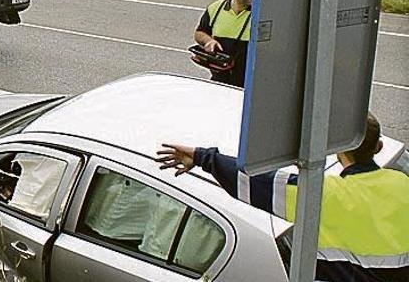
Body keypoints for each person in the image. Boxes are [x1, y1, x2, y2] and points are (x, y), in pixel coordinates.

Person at [156, 114, 409, 282]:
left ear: (338, 147)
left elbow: (252, 182)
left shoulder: (323, 195)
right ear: (378, 147)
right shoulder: (402, 184)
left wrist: (203, 157)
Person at [194, 0, 254, 87]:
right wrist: (208, 40)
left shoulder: (261, 14)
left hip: (248, 86)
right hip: (219, 82)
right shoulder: (215, 8)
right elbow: (199, 33)